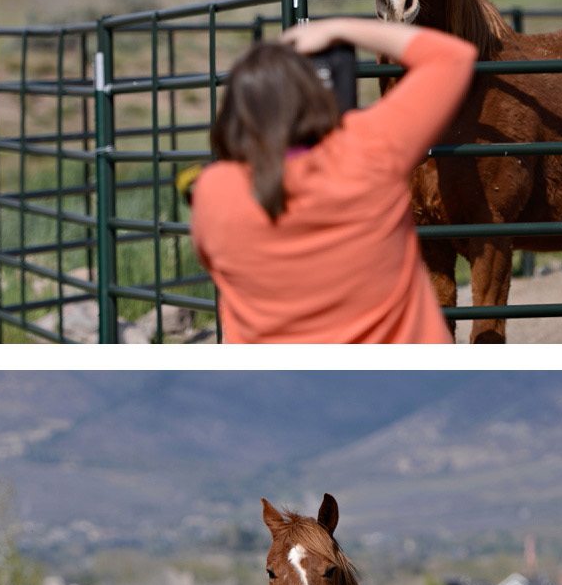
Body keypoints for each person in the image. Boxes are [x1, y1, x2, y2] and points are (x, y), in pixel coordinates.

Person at [189, 17, 477, 342]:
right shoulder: (367, 148)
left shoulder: (215, 192)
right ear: (313, 95)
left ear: (234, 113)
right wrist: (339, 28)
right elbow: (452, 56)